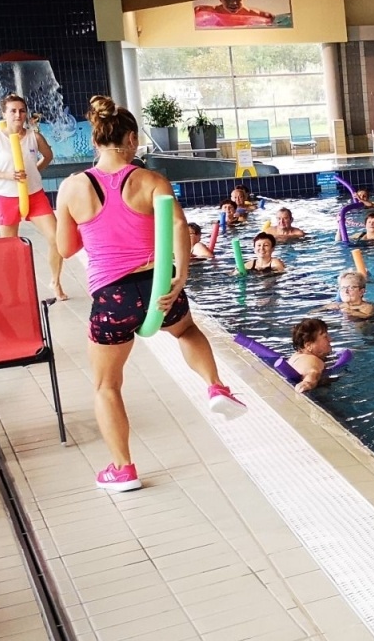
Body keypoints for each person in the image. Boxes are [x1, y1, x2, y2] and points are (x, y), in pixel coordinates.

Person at [55, 96, 246, 492]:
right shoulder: (151, 180)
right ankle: (215, 386)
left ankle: (122, 469)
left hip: (112, 297)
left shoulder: (72, 187)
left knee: (107, 385)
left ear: (95, 139)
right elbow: (178, 225)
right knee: (186, 331)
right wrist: (179, 276)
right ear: (130, 138)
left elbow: (66, 249)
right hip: (156, 286)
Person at [0, 93, 66, 300]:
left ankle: (56, 282)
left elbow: (48, 156)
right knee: (10, 248)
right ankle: (13, 291)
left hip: (34, 195)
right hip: (6, 197)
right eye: (13, 111)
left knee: (56, 238)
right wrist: (6, 175)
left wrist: (35, 171)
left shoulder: (35, 137)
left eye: (22, 110)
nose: (18, 114)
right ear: (4, 114)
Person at [286, 318, 333, 394]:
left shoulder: (297, 356)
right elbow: (313, 372)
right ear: (308, 345)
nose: (330, 339)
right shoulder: (312, 360)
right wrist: (308, 383)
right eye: (325, 336)